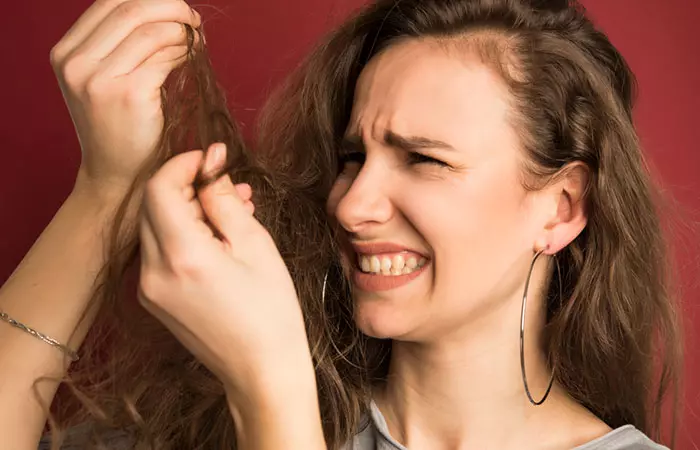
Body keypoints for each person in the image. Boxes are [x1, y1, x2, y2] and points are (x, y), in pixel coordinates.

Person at [0, 0, 682, 448]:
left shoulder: (264, 388)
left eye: (423, 159)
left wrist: (270, 384)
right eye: (354, 157)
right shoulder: (206, 421)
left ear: (561, 207)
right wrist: (106, 190)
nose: (351, 206)